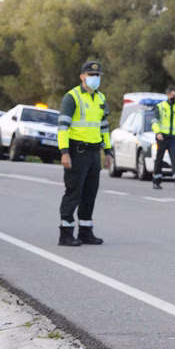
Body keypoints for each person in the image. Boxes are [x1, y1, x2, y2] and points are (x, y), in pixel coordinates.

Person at [57, 60, 113, 246]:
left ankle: (85, 232)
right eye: (91, 75)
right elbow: (63, 127)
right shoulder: (71, 97)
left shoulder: (100, 98)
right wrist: (64, 152)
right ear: (82, 76)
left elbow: (104, 126)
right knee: (74, 192)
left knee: (90, 193)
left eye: (97, 76)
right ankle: (65, 234)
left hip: (94, 153)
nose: (94, 79)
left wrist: (108, 151)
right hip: (76, 151)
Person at [151, 85, 175, 190]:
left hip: (173, 137)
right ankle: (156, 180)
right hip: (162, 137)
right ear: (168, 95)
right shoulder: (161, 106)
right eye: (173, 95)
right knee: (159, 159)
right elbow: (154, 121)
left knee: (174, 158)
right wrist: (158, 132)